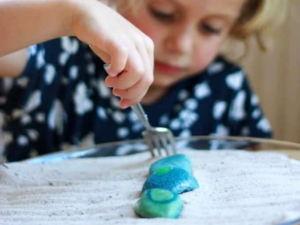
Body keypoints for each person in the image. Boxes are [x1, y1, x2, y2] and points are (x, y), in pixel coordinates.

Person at [0, 0, 287, 161]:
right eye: (163, 13)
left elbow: (257, 181)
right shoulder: (57, 58)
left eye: (211, 28)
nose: (181, 44)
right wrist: (70, 14)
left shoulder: (227, 87)